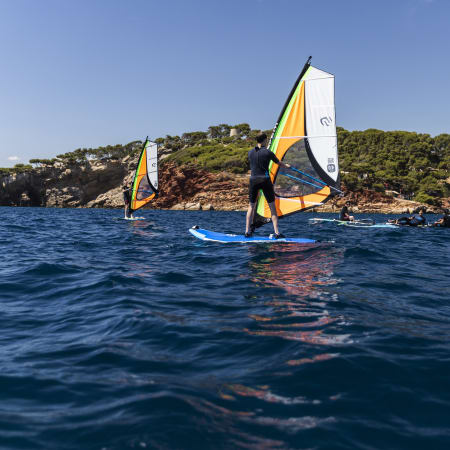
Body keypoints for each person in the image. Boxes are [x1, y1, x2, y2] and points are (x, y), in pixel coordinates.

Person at [245, 133, 291, 238]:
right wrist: (287, 166)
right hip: (265, 180)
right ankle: (277, 233)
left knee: (251, 206)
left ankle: (247, 231)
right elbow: (279, 163)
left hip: (253, 180)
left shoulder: (250, 152)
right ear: (265, 140)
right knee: (272, 207)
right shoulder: (268, 152)